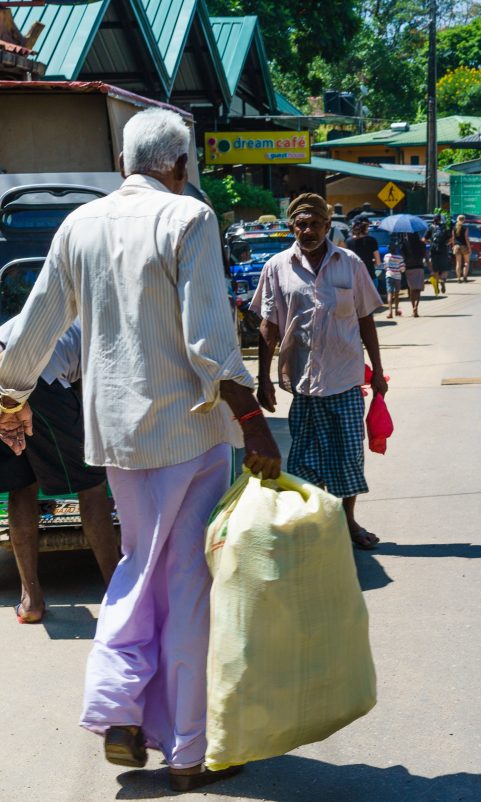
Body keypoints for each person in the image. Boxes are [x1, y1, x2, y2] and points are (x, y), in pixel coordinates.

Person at [0, 108, 280, 792]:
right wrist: (253, 420)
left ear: (125, 162)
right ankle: (187, 752)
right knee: (186, 585)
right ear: (180, 166)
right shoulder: (189, 219)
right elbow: (210, 338)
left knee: (135, 568)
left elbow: (35, 325)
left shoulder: (79, 225)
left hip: (118, 438)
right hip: (191, 431)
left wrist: (9, 397)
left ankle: (120, 706)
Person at [252, 193, 388, 551]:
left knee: (347, 456)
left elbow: (365, 319)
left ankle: (347, 522)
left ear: (327, 226)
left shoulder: (351, 263)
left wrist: (377, 371)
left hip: (345, 378)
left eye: (315, 223)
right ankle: (312, 523)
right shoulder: (277, 267)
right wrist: (262, 377)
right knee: (304, 460)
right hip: (302, 381)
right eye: (301, 223)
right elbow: (268, 326)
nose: (307, 230)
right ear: (291, 227)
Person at [0, 319, 119, 624]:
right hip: (39, 379)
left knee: (22, 485)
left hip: (3, 380)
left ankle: (31, 601)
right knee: (91, 484)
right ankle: (119, 596)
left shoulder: (50, 311)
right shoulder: (99, 320)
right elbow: (95, 392)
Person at [345, 216, 383, 296]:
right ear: (365, 227)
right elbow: (378, 262)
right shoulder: (372, 240)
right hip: (370, 276)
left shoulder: (348, 241)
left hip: (354, 278)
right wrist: (373, 262)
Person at [424, 213, 451, 295]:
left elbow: (424, 239)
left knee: (435, 270)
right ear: (440, 219)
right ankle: (443, 280)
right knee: (445, 269)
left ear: (433, 219)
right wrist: (446, 244)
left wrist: (430, 242)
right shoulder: (444, 228)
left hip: (433, 251)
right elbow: (450, 240)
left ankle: (438, 283)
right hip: (443, 251)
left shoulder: (430, 227)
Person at [401, 232, 426, 317]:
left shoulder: (404, 244)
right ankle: (416, 306)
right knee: (418, 289)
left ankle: (413, 309)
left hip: (409, 268)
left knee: (411, 289)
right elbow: (425, 256)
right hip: (419, 267)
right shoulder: (422, 244)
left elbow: (403, 257)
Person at [383, 234, 407, 319]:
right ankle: (396, 311)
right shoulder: (399, 257)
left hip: (389, 276)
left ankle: (390, 312)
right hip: (397, 277)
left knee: (389, 294)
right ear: (395, 248)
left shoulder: (386, 256)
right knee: (396, 294)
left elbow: (385, 267)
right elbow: (403, 269)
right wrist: (402, 268)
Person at [451, 215, 470, 282]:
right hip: (464, 246)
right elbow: (466, 238)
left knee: (458, 263)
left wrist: (453, 246)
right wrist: (469, 247)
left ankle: (458, 278)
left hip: (456, 246)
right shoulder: (465, 228)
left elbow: (453, 238)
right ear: (464, 220)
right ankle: (465, 277)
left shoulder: (454, 228)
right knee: (466, 262)